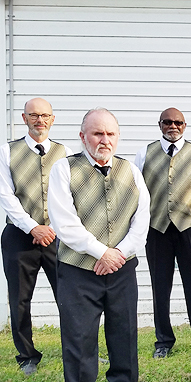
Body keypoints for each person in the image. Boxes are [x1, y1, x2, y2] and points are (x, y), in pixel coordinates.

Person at [48, 108, 150, 382]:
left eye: (110, 133)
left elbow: (141, 221)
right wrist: (102, 252)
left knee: (125, 338)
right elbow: (64, 224)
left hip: (122, 270)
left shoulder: (132, 171)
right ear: (83, 136)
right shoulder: (64, 169)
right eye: (97, 133)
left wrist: (119, 253)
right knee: (79, 341)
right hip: (77, 272)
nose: (104, 140)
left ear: (117, 137)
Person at [0, 97, 72, 375]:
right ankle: (27, 355)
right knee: (20, 299)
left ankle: (76, 349)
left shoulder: (64, 151)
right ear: (24, 118)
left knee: (69, 295)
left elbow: (67, 195)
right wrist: (33, 227)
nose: (39, 120)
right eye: (34, 115)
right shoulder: (7, 151)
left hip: (57, 235)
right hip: (19, 236)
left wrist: (52, 227)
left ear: (52, 119)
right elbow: (6, 196)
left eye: (44, 115)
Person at [134, 107, 191, 359]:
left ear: (185, 125)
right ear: (159, 124)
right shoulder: (145, 153)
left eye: (178, 123)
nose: (173, 126)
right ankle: (163, 340)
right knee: (159, 286)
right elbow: (137, 193)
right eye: (168, 122)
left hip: (190, 228)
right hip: (157, 229)